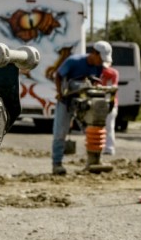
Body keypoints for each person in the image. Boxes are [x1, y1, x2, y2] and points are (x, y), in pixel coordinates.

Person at [51, 40, 112, 175]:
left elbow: (95, 81)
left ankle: (94, 161)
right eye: (100, 59)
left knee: (93, 129)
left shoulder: (99, 66)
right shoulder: (74, 61)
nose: (101, 63)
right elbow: (58, 76)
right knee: (60, 132)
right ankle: (57, 164)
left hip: (84, 101)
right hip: (67, 100)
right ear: (94, 53)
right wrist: (60, 93)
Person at [100, 60, 119, 156]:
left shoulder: (113, 73)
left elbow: (113, 86)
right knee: (99, 126)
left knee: (109, 126)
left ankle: (109, 148)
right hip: (99, 102)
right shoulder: (97, 73)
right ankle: (99, 147)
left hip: (110, 103)